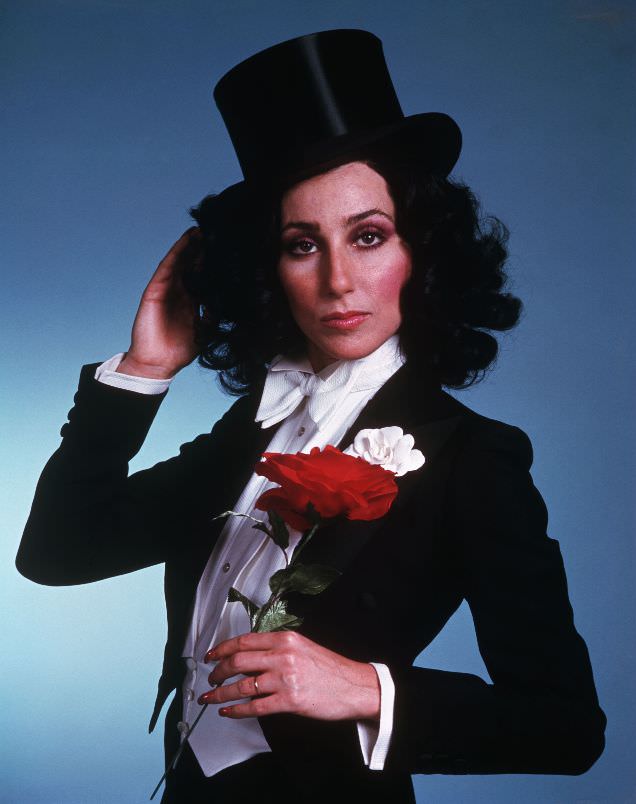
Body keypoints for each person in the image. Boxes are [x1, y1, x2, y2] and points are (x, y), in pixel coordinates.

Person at [16, 29, 606, 804]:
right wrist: (144, 372)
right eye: (302, 245)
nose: (338, 280)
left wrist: (366, 687)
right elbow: (59, 552)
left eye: (369, 236)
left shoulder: (473, 457)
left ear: (421, 252)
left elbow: (566, 728)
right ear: (270, 270)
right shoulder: (252, 431)